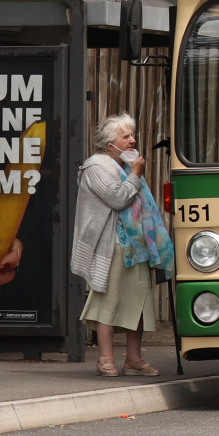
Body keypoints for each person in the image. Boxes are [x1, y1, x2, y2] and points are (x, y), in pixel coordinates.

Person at [71, 113, 173, 377]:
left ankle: (134, 360)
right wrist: (136, 175)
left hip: (136, 246)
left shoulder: (125, 166)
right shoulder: (96, 167)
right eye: (125, 136)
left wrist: (133, 174)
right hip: (114, 246)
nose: (132, 140)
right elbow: (117, 199)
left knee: (137, 303)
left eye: (132, 135)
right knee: (109, 302)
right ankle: (105, 359)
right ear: (109, 144)